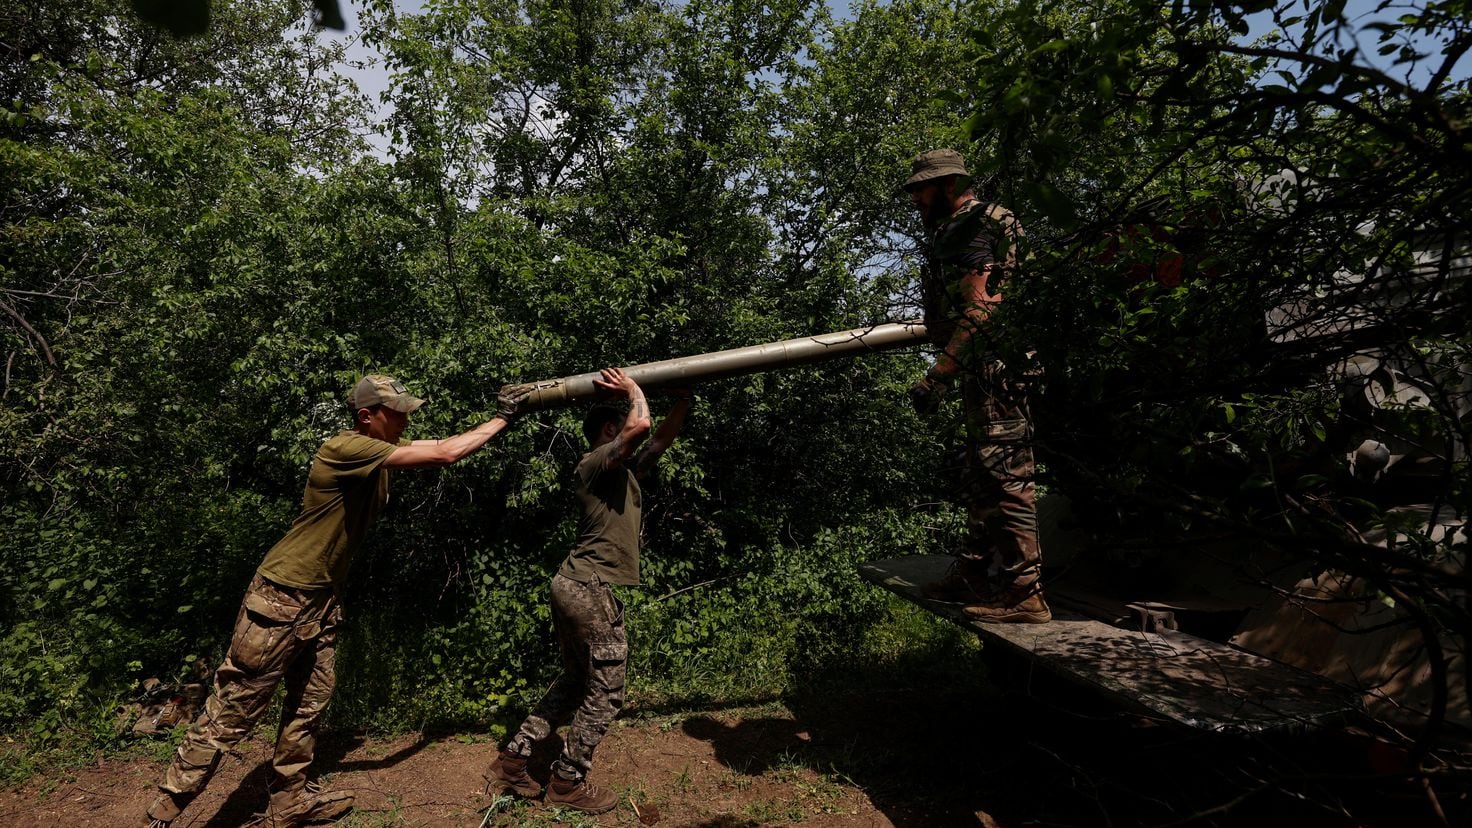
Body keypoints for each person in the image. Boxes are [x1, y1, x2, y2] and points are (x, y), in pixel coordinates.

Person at [144, 375, 529, 828]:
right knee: (232, 712)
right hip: (281, 599)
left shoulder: (378, 454)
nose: (405, 417)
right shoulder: (347, 448)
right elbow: (446, 453)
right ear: (367, 416)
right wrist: (504, 418)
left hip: (320, 600)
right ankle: (165, 814)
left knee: (308, 705)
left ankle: (289, 802)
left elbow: (439, 442)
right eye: (396, 411)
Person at [484, 367, 690, 814]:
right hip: (588, 587)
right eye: (619, 421)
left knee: (578, 680)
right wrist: (633, 388)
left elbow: (659, 439)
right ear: (609, 429)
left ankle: (513, 761)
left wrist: (684, 400)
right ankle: (567, 782)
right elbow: (642, 426)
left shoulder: (624, 471)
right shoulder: (596, 463)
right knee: (607, 689)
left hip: (576, 584)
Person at [903, 148, 1050, 624]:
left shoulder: (972, 228)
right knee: (981, 475)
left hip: (995, 370)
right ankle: (973, 573)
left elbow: (982, 309)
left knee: (1007, 479)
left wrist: (936, 377)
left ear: (948, 185)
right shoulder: (982, 221)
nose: (916, 201)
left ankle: (1025, 594)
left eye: (921, 190)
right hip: (983, 368)